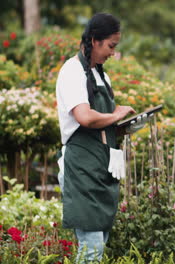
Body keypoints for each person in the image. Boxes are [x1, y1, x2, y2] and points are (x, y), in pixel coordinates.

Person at [55, 13, 148, 263]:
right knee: (91, 246)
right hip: (82, 168)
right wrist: (116, 113)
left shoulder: (100, 75)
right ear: (94, 40)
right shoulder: (72, 71)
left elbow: (102, 125)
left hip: (101, 167)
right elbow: (85, 117)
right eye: (111, 46)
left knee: (98, 244)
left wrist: (125, 126)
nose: (113, 53)